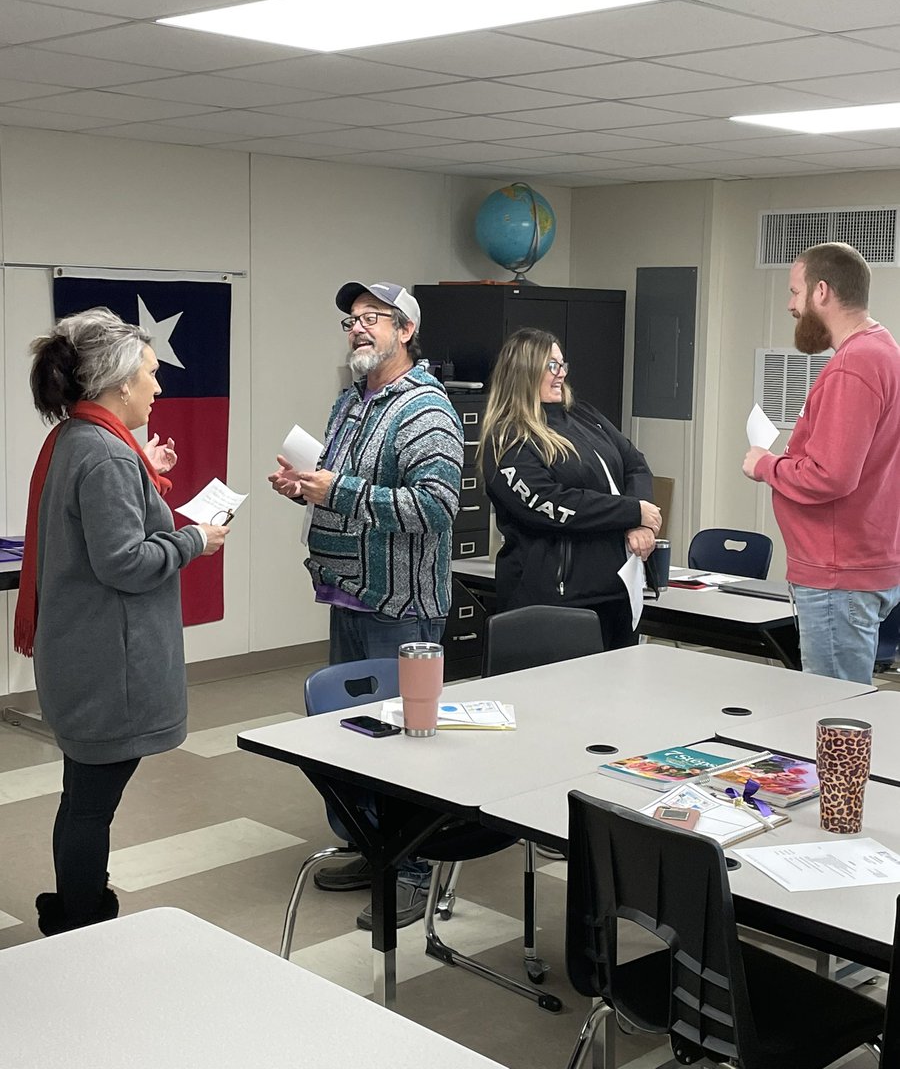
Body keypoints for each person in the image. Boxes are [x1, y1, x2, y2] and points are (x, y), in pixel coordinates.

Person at [15, 307, 229, 935]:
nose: (158, 388)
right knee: (90, 810)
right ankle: (82, 922)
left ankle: (73, 905)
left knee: (81, 800)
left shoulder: (81, 439)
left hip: (81, 654)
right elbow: (125, 563)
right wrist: (196, 540)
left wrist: (146, 475)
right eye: (151, 374)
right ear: (117, 383)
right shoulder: (106, 454)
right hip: (110, 666)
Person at [269, 280, 463, 929]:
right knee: (351, 738)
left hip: (401, 607)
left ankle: (410, 870)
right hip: (347, 594)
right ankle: (368, 844)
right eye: (351, 320)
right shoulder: (350, 403)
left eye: (372, 318)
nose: (357, 328)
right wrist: (306, 488)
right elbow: (337, 486)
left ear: (405, 331)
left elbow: (436, 508)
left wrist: (339, 491)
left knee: (404, 746)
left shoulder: (426, 410)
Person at [743, 241, 900, 684]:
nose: (791, 306)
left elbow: (832, 475)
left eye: (795, 293)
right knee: (842, 710)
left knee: (835, 715)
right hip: (857, 563)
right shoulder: (882, 350)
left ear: (822, 292)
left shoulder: (855, 365)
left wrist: (765, 466)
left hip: (839, 572)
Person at [478, 327, 661, 651]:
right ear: (524, 371)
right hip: (555, 601)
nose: (561, 373)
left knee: (619, 696)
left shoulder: (583, 415)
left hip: (619, 590)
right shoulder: (508, 438)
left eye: (562, 364)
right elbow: (549, 504)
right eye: (551, 365)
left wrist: (640, 520)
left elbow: (634, 463)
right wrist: (631, 512)